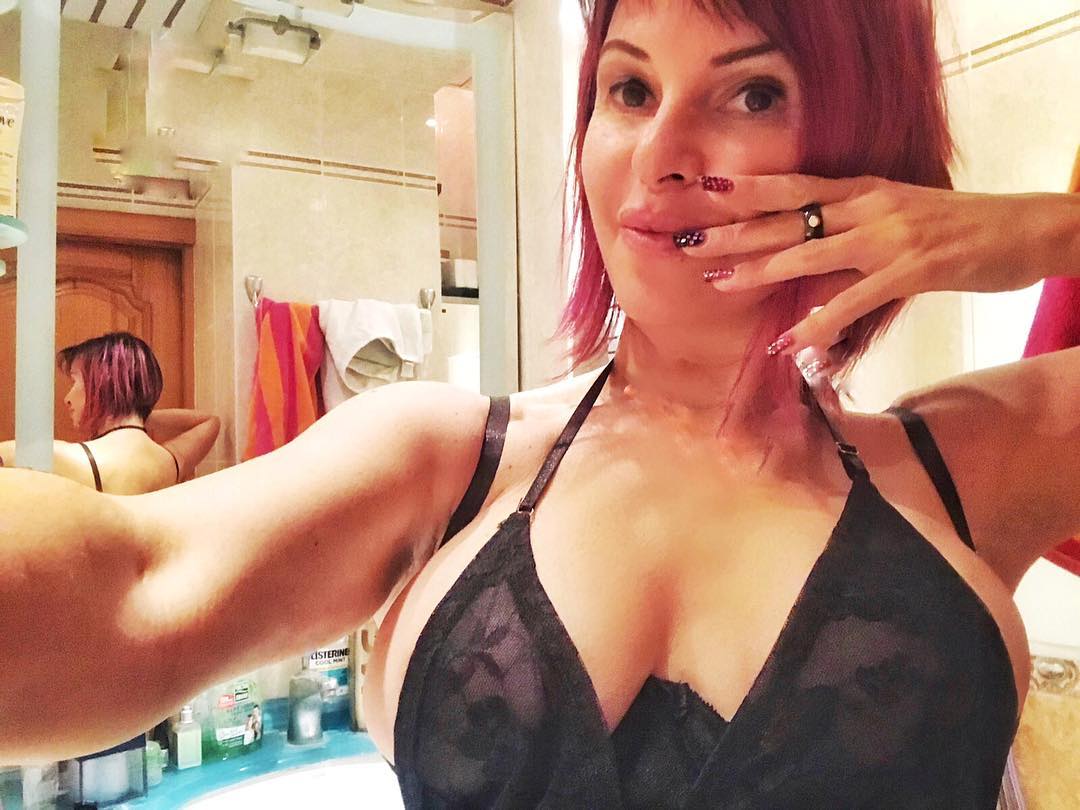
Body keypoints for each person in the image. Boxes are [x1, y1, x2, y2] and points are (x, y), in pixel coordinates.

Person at [1, 1, 1078, 806]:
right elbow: (123, 589)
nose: (660, 155)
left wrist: (1041, 231)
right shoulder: (440, 462)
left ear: (867, 148)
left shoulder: (966, 463)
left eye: (752, 94)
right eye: (630, 90)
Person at [0, 331, 220, 494]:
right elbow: (209, 422)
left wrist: (125, 408)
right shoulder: (170, 463)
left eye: (75, 380)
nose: (67, 398)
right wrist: (134, 411)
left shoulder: (64, 458)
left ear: (103, 384)